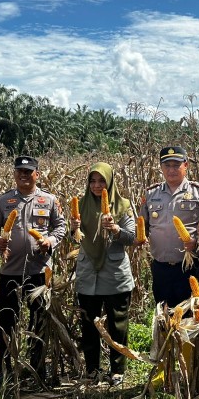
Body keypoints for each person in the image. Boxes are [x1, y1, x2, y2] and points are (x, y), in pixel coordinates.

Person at [0, 155, 66, 380]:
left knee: (39, 321)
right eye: (19, 171)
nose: (23, 175)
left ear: (37, 174)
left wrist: (50, 241)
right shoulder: (4, 201)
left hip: (39, 271)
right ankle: (5, 365)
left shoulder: (49, 200)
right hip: (10, 270)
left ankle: (37, 365)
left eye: (28, 171)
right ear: (14, 174)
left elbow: (60, 226)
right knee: (7, 320)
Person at [70, 163, 135, 386]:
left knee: (117, 323)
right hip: (88, 274)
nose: (97, 186)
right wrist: (74, 228)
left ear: (110, 181)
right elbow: (75, 239)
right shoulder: (81, 204)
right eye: (93, 181)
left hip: (114, 274)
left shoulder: (123, 205)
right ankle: (93, 369)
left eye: (101, 181)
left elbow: (133, 237)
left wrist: (116, 230)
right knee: (89, 323)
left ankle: (117, 369)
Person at [139, 146, 199, 307]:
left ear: (186, 165)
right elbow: (143, 226)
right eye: (167, 165)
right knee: (164, 318)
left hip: (190, 267)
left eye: (176, 165)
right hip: (161, 269)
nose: (171, 170)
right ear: (161, 167)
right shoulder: (151, 194)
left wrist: (196, 242)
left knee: (191, 317)